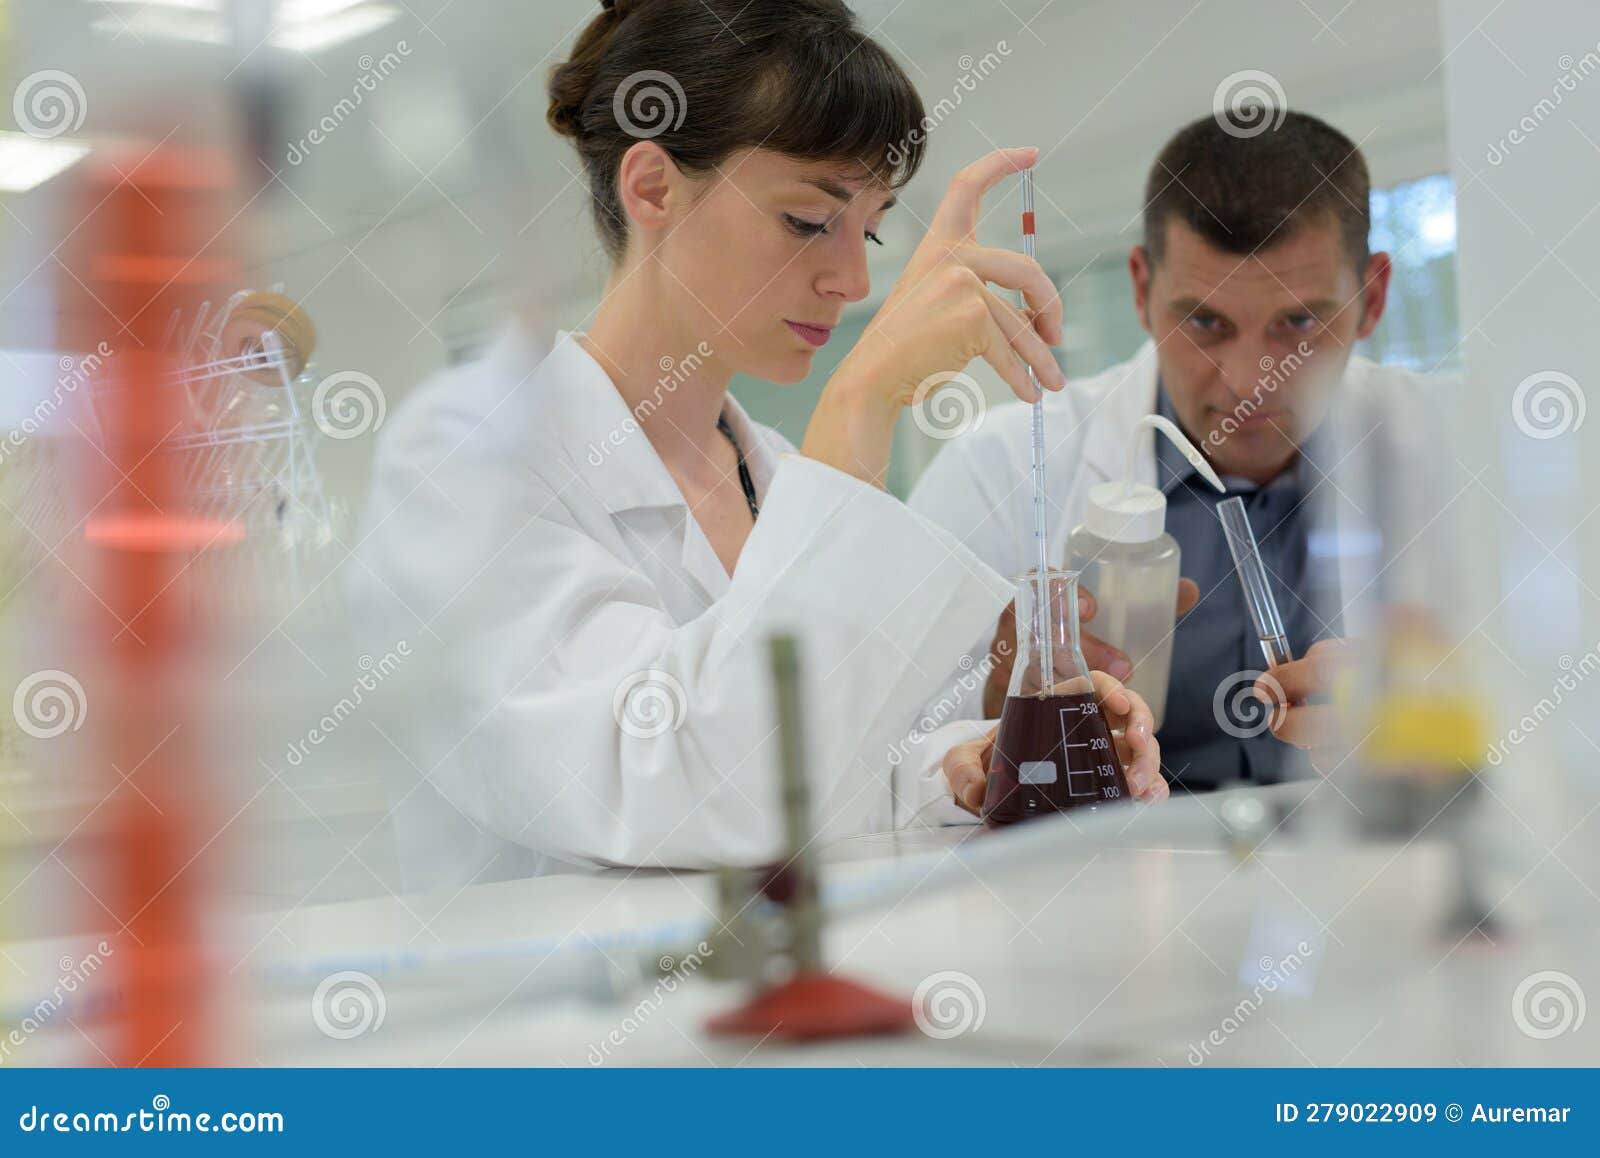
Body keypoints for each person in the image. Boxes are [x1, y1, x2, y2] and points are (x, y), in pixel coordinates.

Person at [353, 0, 1164, 887]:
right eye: (809, 222)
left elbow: (812, 772)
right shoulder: (466, 459)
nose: (852, 280)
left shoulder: (766, 471)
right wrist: (863, 398)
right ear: (653, 187)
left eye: (872, 229)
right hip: (564, 1014)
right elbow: (683, 793)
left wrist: (961, 771)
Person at [911, 110, 1454, 794]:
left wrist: (1451, 714)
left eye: (1299, 322)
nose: (1252, 380)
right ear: (1142, 289)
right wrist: (1002, 686)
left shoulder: (1466, 448)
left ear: (1372, 297)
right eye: (1205, 321)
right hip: (1105, 885)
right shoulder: (1002, 468)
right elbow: (883, 745)